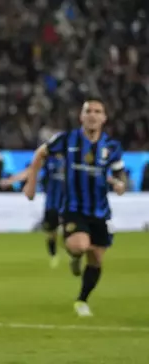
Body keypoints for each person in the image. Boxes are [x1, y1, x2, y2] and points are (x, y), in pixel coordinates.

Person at [23, 99, 126, 317]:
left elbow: (119, 172)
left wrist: (120, 184)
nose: (92, 115)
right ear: (81, 116)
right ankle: (74, 252)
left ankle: (82, 300)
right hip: (73, 208)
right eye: (88, 111)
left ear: (104, 118)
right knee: (79, 245)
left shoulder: (112, 147)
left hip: (100, 211)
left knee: (96, 258)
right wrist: (31, 183)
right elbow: (40, 153)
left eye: (98, 111)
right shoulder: (66, 139)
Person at [0, 154, 64, 268]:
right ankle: (54, 255)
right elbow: (31, 170)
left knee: (71, 229)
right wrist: (10, 181)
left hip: (70, 202)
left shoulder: (73, 157)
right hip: (52, 202)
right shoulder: (49, 159)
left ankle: (75, 253)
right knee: (51, 232)